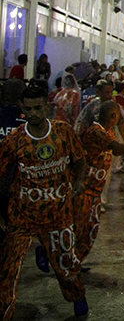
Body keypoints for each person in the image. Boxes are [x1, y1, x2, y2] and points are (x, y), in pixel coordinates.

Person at [0, 82, 89, 318]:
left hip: (58, 213)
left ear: (47, 106)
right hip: (22, 216)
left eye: (38, 108)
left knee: (66, 263)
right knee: (8, 269)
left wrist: (79, 181)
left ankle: (77, 296)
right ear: (21, 108)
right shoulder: (14, 140)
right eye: (28, 109)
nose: (33, 114)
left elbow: (80, 158)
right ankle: (4, 312)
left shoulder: (63, 131)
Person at [74, 101, 124, 263]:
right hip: (85, 189)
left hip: (95, 189)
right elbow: (118, 148)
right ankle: (68, 260)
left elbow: (118, 148)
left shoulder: (107, 132)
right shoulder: (97, 132)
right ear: (113, 116)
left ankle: (76, 260)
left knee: (90, 228)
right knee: (80, 227)